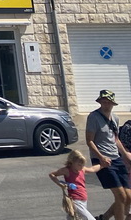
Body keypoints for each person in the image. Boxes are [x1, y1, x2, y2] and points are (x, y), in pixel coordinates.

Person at [85, 89, 131, 220]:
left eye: (108, 102)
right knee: (121, 196)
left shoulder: (115, 118)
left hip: (116, 158)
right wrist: (101, 157)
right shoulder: (93, 117)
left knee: (128, 196)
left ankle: (104, 218)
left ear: (113, 103)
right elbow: (90, 141)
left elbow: (115, 139)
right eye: (103, 101)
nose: (105, 104)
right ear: (100, 102)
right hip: (102, 160)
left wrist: (126, 155)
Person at [49, 149, 103, 220]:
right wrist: (60, 184)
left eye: (82, 164)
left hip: (83, 199)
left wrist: (102, 165)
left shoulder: (82, 169)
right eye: (79, 164)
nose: (81, 166)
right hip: (75, 200)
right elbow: (52, 174)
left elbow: (92, 169)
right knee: (88, 218)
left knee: (73, 218)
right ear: (72, 162)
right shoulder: (67, 170)